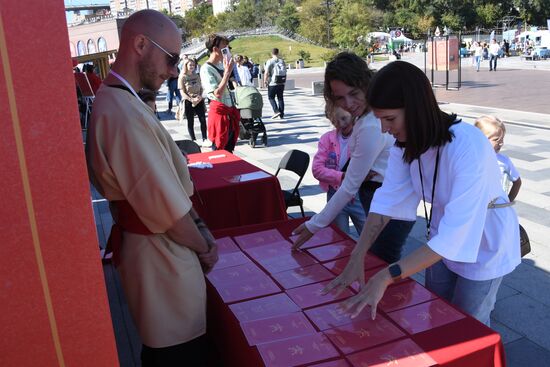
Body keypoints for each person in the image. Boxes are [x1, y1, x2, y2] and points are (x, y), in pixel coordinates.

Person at [322, 61, 520, 326]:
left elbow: (456, 234)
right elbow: (387, 201)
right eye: (380, 119)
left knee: (467, 322)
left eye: (389, 119)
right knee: (437, 312)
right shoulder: (404, 146)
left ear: (415, 108)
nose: (384, 129)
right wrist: (358, 254)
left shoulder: (468, 143)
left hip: (484, 241)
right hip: (439, 237)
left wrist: (386, 276)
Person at [86, 10, 218, 366]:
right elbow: (168, 211)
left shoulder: (122, 101)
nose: (174, 70)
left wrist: (200, 231)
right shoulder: (120, 111)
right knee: (177, 353)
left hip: (157, 256)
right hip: (161, 262)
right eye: (171, 58)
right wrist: (203, 245)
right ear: (140, 45)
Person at [292, 52, 415, 264]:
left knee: (381, 261)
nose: (348, 103)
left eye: (354, 93)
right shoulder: (366, 118)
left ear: (367, 84)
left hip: (387, 198)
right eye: (339, 97)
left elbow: (349, 185)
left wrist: (315, 224)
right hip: (381, 195)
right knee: (377, 259)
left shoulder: (370, 123)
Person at [312, 105, 367, 237]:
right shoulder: (327, 139)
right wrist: (342, 176)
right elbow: (317, 169)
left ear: (353, 115)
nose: (340, 124)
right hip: (335, 193)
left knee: (370, 239)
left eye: (344, 118)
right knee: (340, 239)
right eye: (334, 121)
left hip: (359, 195)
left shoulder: (363, 137)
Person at [200, 34, 240, 152]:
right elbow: (217, 93)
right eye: (224, 47)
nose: (227, 50)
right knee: (219, 148)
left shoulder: (221, 66)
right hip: (220, 114)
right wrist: (227, 73)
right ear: (215, 49)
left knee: (229, 150)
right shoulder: (206, 69)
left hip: (229, 112)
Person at [475, 115, 522, 201]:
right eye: (497, 139)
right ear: (481, 138)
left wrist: (507, 201)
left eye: (502, 139)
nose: (501, 143)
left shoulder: (504, 161)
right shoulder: (471, 158)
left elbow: (517, 182)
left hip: (495, 207)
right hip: (476, 205)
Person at [178, 58, 208, 145]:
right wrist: (191, 100)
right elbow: (182, 92)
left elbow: (201, 88)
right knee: (190, 121)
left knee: (203, 120)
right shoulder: (182, 77)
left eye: (193, 65)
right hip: (188, 101)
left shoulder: (196, 75)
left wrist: (200, 96)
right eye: (190, 65)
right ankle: (193, 140)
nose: (192, 67)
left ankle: (204, 138)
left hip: (199, 99)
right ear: (186, 66)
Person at [264, 48, 286, 119]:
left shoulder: (270, 61)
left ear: (272, 53)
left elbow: (266, 72)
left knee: (271, 97)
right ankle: (281, 114)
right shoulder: (281, 61)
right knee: (280, 98)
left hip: (272, 83)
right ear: (278, 53)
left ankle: (276, 111)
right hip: (281, 82)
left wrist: (265, 81)